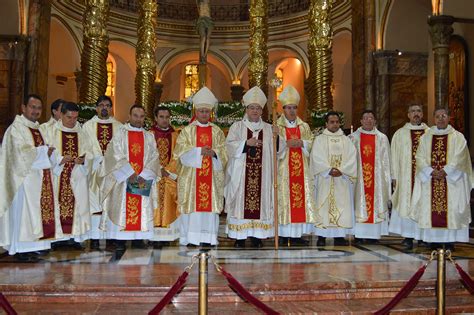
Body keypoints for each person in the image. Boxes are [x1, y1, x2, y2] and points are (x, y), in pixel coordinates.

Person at [0, 94, 56, 261]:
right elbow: (19, 154)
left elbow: (43, 151)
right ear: (23, 108)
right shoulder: (16, 128)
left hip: (39, 180)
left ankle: (34, 247)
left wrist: (50, 152)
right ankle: (21, 248)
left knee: (36, 214)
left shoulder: (37, 128)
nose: (36, 111)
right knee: (24, 214)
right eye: (32, 107)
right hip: (23, 181)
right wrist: (43, 151)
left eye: (39, 108)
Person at [410, 108, 472, 251]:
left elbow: (460, 157)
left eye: (443, 116)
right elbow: (419, 157)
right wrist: (431, 171)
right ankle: (432, 241)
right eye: (437, 116)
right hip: (430, 180)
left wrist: (446, 171)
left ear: (449, 118)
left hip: (451, 182)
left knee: (452, 210)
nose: (441, 119)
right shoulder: (425, 137)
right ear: (433, 119)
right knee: (430, 210)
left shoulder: (458, 137)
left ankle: (449, 241)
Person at [99, 105, 160, 251]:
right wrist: (129, 173)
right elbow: (114, 154)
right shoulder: (120, 133)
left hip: (142, 178)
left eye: (141, 116)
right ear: (129, 115)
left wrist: (143, 174)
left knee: (141, 206)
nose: (138, 119)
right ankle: (120, 240)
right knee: (122, 207)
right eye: (135, 115)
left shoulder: (149, 136)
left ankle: (138, 239)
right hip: (124, 179)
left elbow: (154, 156)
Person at [174, 87, 227, 247]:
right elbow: (180, 152)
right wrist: (198, 151)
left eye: (206, 111)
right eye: (201, 111)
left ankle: (209, 238)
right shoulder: (187, 131)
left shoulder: (217, 131)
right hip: (192, 179)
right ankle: (190, 238)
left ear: (210, 112)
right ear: (196, 112)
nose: (204, 114)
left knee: (208, 207)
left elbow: (224, 152)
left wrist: (215, 153)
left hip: (210, 177)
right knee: (193, 207)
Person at [225, 86, 276, 248]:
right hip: (242, 174)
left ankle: (257, 236)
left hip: (263, 175)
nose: (255, 111)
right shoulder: (237, 127)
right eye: (252, 108)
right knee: (241, 204)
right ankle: (239, 237)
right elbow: (228, 147)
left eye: (258, 108)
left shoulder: (269, 129)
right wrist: (246, 144)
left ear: (262, 111)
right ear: (246, 109)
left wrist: (278, 138)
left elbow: (278, 151)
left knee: (261, 202)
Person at [44, 102, 92, 249]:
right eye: (69, 117)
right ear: (61, 115)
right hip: (57, 176)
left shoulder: (83, 133)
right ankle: (56, 238)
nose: (72, 121)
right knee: (57, 205)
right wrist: (59, 159)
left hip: (77, 176)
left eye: (75, 118)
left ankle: (74, 237)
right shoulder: (50, 131)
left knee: (77, 206)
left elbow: (91, 153)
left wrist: (84, 160)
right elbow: (45, 150)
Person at [276, 85, 319, 246]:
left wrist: (302, 143)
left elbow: (312, 144)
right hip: (284, 170)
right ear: (283, 109)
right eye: (289, 108)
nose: (292, 111)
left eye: (294, 108)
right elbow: (273, 148)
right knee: (284, 200)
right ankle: (282, 234)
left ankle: (298, 235)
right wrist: (285, 143)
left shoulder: (304, 126)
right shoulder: (277, 127)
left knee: (300, 200)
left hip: (301, 170)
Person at [310, 111, 359, 246]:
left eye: (337, 122)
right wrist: (328, 170)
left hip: (342, 179)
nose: (335, 124)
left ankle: (339, 236)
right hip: (325, 178)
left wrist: (342, 170)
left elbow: (352, 158)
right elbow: (316, 158)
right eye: (332, 122)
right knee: (323, 206)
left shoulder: (346, 140)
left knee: (342, 206)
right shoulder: (319, 139)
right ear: (326, 124)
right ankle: (321, 236)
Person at [82, 95, 122, 249]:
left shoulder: (119, 127)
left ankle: (112, 236)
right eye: (101, 105)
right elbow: (84, 147)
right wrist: (95, 159)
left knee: (113, 202)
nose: (104, 108)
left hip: (113, 173)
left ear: (111, 108)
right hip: (94, 172)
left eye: (107, 105)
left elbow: (122, 149)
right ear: (96, 108)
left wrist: (112, 161)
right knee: (95, 203)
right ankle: (94, 237)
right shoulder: (87, 126)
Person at [389, 104, 429, 249]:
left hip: (424, 178)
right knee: (406, 203)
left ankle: (423, 236)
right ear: (408, 115)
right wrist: (394, 176)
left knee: (423, 204)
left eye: (418, 111)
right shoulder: (400, 134)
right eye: (412, 111)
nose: (416, 114)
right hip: (405, 176)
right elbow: (394, 155)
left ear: (423, 114)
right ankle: (408, 236)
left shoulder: (429, 132)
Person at [349, 110, 391, 244]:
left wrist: (388, 178)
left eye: (371, 118)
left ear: (375, 121)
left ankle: (374, 235)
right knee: (358, 203)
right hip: (359, 180)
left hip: (377, 180)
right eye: (365, 118)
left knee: (376, 204)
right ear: (360, 121)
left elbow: (387, 160)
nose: (368, 120)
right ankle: (359, 234)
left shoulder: (382, 138)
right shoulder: (353, 138)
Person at [150, 106, 180, 248]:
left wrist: (167, 171)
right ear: (156, 118)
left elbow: (178, 156)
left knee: (168, 203)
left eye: (167, 117)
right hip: (153, 176)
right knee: (153, 204)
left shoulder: (176, 136)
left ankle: (167, 236)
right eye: (161, 117)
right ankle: (152, 235)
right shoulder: (149, 135)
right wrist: (157, 170)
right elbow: (146, 155)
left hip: (168, 176)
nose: (164, 120)